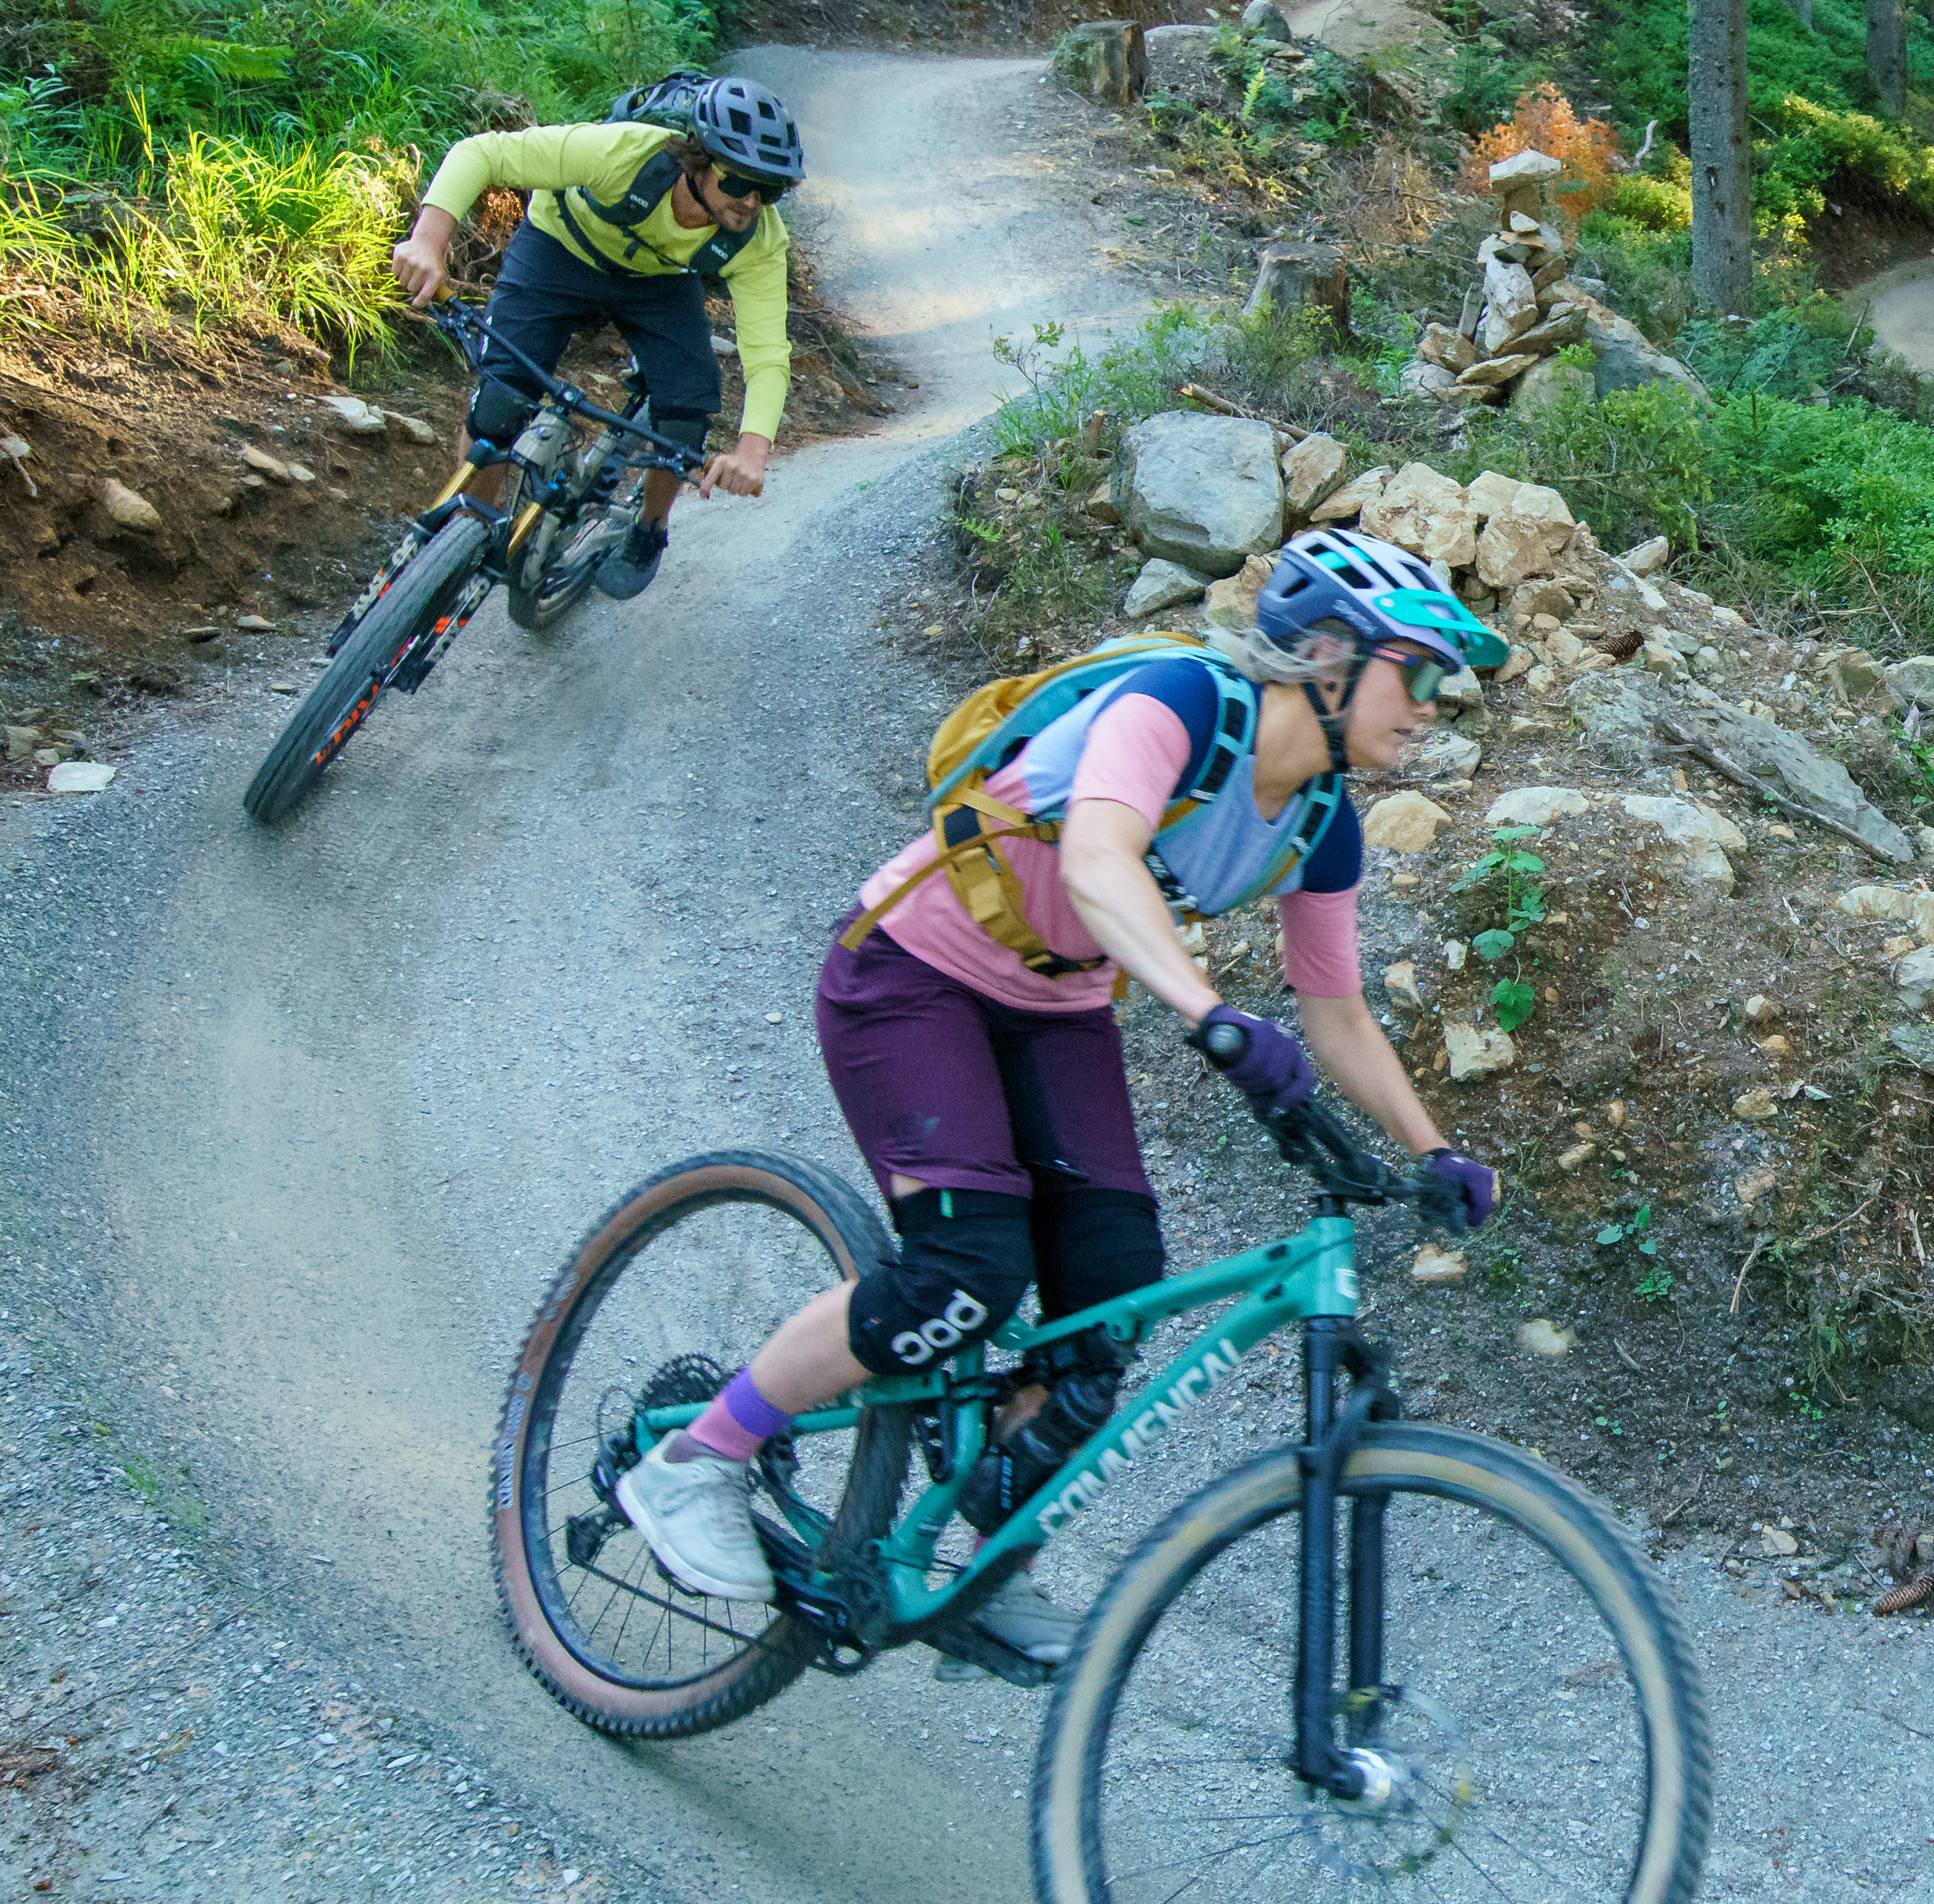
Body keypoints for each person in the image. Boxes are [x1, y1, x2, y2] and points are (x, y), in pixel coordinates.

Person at [611, 529, 1512, 1657]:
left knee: (1111, 1298)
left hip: (1057, 1008)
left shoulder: (1324, 823)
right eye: (1417, 673)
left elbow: (1335, 1012)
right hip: (912, 972)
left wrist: (1433, 1149)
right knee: (965, 1271)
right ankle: (701, 1455)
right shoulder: (1184, 701)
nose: (1433, 705)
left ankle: (985, 1557)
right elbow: (1097, 858)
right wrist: (1208, 1011)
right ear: (1329, 653)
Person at [388, 73, 803, 600]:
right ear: (698, 160)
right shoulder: (623, 154)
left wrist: (753, 450)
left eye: (770, 191)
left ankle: (649, 528)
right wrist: (429, 242)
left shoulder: (759, 240)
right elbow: (482, 153)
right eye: (739, 183)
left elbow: (768, 353)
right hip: (561, 246)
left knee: (686, 413)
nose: (752, 203)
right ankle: (474, 526)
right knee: (499, 402)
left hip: (658, 280)